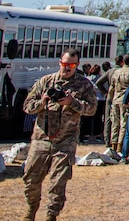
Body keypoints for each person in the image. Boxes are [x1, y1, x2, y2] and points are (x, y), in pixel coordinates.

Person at [22, 48, 98, 221]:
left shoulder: (84, 85)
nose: (67, 68)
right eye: (64, 64)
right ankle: (31, 209)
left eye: (71, 65)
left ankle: (51, 215)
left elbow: (92, 109)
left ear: (77, 65)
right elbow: (27, 106)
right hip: (42, 139)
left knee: (58, 181)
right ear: (59, 63)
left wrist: (73, 102)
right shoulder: (46, 82)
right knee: (30, 178)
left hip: (66, 140)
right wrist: (42, 103)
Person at [107, 54, 129, 154]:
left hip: (116, 99)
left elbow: (111, 88)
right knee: (124, 124)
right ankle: (120, 146)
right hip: (126, 101)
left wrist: (110, 99)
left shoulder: (116, 72)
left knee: (115, 123)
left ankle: (113, 144)